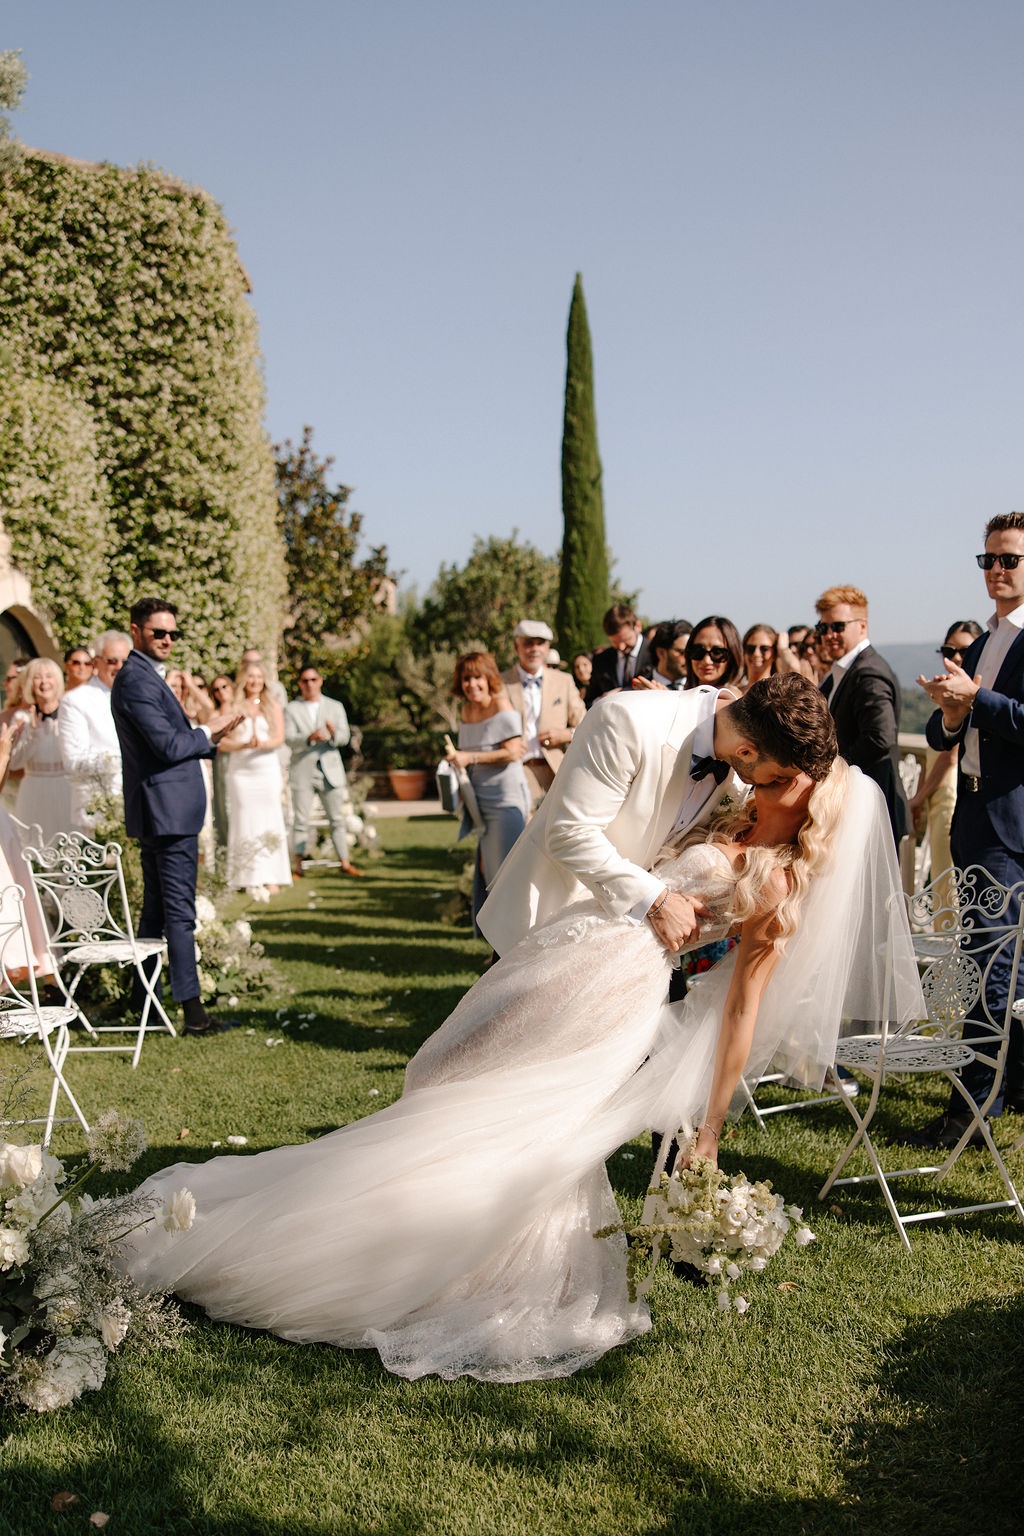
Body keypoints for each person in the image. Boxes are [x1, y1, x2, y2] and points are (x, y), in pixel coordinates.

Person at [123, 733, 922, 1383]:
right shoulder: (727, 819)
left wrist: (708, 1129)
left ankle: (419, 1251)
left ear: (813, 806)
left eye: (785, 782)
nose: (764, 785)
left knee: (523, 1121)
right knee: (449, 1080)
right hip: (566, 957)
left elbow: (742, 1007)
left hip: (620, 996)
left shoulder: (778, 883)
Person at [915, 514, 1024, 1144]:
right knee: (986, 961)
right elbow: (941, 734)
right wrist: (954, 712)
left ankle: (972, 1112)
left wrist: (975, 700)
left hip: (1011, 823)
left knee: (994, 969)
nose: (997, 571)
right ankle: (995, 1097)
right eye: (987, 560)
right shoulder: (984, 641)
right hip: (975, 816)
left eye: (1007, 559)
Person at [111, 597, 242, 1038]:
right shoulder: (136, 681)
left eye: (172, 633)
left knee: (154, 914)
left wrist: (208, 736)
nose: (167, 640)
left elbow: (172, 741)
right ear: (136, 631)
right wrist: (207, 731)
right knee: (178, 915)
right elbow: (168, 747)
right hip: (167, 815)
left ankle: (144, 1003)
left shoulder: (147, 676)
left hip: (164, 811)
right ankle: (194, 1014)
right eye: (158, 633)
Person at [814, 584, 908, 846]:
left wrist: (832, 770)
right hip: (853, 804)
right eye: (823, 628)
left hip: (870, 806)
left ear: (862, 626)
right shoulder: (843, 671)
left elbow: (880, 737)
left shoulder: (868, 672)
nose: (829, 635)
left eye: (838, 627)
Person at [445, 651, 531, 932]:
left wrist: (469, 758)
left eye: (477, 677)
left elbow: (512, 752)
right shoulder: (466, 710)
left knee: (504, 873)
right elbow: (467, 755)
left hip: (505, 797)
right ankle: (497, 937)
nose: (472, 685)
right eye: (466, 678)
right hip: (477, 797)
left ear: (489, 678)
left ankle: (511, 939)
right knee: (485, 870)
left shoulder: (501, 706)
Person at [907, 621, 984, 916]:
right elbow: (934, 753)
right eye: (949, 650)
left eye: (964, 650)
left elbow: (949, 759)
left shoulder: (970, 696)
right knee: (941, 877)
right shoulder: (949, 692)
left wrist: (919, 797)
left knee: (949, 881)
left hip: (952, 792)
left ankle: (953, 950)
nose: (955, 658)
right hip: (939, 794)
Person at [219, 662, 291, 896]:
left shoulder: (272, 705)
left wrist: (261, 744)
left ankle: (272, 875)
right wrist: (244, 745)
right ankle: (246, 875)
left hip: (266, 770)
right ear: (243, 679)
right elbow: (221, 742)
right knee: (245, 821)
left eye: (259, 677)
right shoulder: (234, 707)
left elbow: (279, 737)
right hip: (241, 773)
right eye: (251, 676)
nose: (255, 681)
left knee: (270, 820)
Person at [284, 665, 362, 878]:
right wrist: (310, 738)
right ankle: (298, 866)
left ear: (320, 681)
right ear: (300, 684)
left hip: (330, 769)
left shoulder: (334, 706)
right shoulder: (291, 708)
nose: (309, 684)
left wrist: (333, 733)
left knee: (336, 818)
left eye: (313, 679)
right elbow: (288, 738)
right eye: (305, 680)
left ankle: (344, 862)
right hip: (303, 770)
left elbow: (345, 737)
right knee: (300, 819)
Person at [499, 620, 585, 805]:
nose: (534, 649)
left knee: (555, 831)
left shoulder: (564, 681)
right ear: (517, 646)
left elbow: (586, 723)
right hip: (516, 769)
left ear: (547, 648)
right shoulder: (500, 683)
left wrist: (566, 734)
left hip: (556, 770)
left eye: (540, 643)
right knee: (521, 831)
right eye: (528, 643)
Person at [59, 629, 131, 830]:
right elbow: (73, 761)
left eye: (125, 661)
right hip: (98, 812)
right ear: (96, 662)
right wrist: (124, 758)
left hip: (140, 805)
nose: (119, 667)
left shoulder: (139, 696)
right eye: (112, 661)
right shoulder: (75, 701)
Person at [11, 657, 72, 841]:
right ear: (30, 683)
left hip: (65, 787)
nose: (44, 682)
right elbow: (14, 763)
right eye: (38, 677)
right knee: (34, 844)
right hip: (34, 789)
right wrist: (33, 733)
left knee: (68, 842)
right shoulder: (22, 718)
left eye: (49, 676)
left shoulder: (70, 714)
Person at [585, 605, 649, 707]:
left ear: (638, 626)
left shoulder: (654, 654)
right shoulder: (601, 659)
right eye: (615, 642)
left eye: (626, 639)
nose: (621, 647)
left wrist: (620, 694)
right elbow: (589, 699)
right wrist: (600, 701)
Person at [683, 617, 743, 693]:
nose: (706, 661)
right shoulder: (682, 693)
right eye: (698, 650)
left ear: (732, 656)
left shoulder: (733, 699)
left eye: (717, 652)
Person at [634, 619, 691, 689]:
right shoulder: (637, 689)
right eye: (682, 652)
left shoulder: (700, 689)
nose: (689, 658)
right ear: (661, 653)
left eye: (691, 652)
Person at [740, 624, 778, 689]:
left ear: (775, 653)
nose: (756, 654)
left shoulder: (780, 693)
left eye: (764, 649)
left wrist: (784, 649)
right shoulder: (731, 693)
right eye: (751, 648)